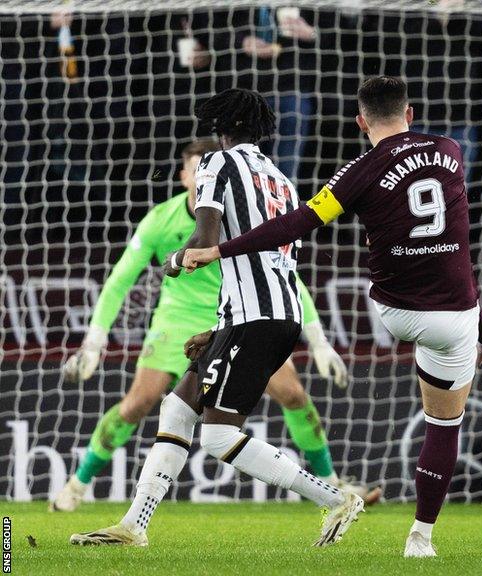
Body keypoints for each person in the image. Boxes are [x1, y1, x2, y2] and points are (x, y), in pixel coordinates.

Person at [180, 77, 482, 558]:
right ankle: (420, 538)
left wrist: (220, 248)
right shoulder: (450, 149)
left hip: (395, 311)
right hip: (454, 316)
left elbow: (296, 222)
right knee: (444, 423)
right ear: (410, 114)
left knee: (435, 281)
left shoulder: (357, 172)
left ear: (361, 122)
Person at [70, 89, 365, 547]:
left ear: (220, 129)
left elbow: (203, 237)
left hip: (254, 316)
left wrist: (173, 262)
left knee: (219, 435)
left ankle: (335, 497)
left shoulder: (216, 165)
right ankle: (134, 525)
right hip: (268, 311)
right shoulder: (282, 181)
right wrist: (220, 330)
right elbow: (278, 257)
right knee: (176, 406)